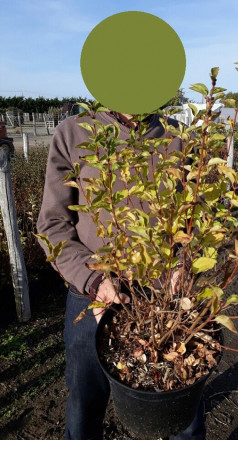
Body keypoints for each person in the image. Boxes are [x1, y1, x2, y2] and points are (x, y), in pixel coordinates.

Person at [37, 110, 206, 440]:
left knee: (183, 409)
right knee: (85, 403)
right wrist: (95, 280)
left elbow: (197, 219)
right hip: (93, 298)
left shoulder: (179, 137)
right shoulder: (73, 133)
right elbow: (52, 226)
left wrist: (184, 265)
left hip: (165, 300)